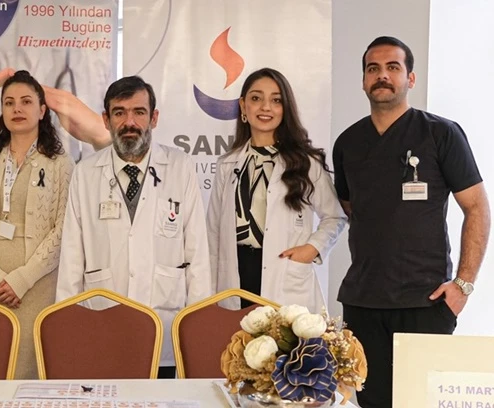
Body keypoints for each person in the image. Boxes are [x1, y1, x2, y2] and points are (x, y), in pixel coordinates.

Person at [332, 36, 490, 408]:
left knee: (420, 403)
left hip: (426, 303)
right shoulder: (348, 143)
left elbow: (477, 208)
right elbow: (352, 209)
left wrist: (463, 285)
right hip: (364, 304)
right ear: (363, 80)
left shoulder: (440, 134)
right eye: (373, 69)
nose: (382, 76)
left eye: (393, 67)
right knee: (371, 403)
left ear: (411, 78)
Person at [56, 76, 212, 378]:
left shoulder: (180, 167)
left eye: (139, 112)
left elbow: (197, 254)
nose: (130, 122)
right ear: (106, 120)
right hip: (101, 320)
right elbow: (72, 257)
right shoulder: (86, 173)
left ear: (154, 118)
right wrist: (68, 325)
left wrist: (198, 327)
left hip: (165, 322)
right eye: (120, 112)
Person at [208, 68, 346, 312]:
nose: (265, 107)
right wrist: (207, 293)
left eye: (276, 100)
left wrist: (311, 249)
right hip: (235, 275)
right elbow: (213, 231)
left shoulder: (306, 163)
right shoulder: (227, 164)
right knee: (235, 336)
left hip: (284, 272)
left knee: (282, 336)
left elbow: (335, 216)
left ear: (286, 108)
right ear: (243, 106)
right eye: (256, 98)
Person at [0, 71, 74, 379]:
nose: (17, 109)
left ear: (42, 110)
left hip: (37, 287)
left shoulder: (61, 165)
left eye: (26, 102)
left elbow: (64, 229)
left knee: (29, 376)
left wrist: (23, 279)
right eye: (9, 102)